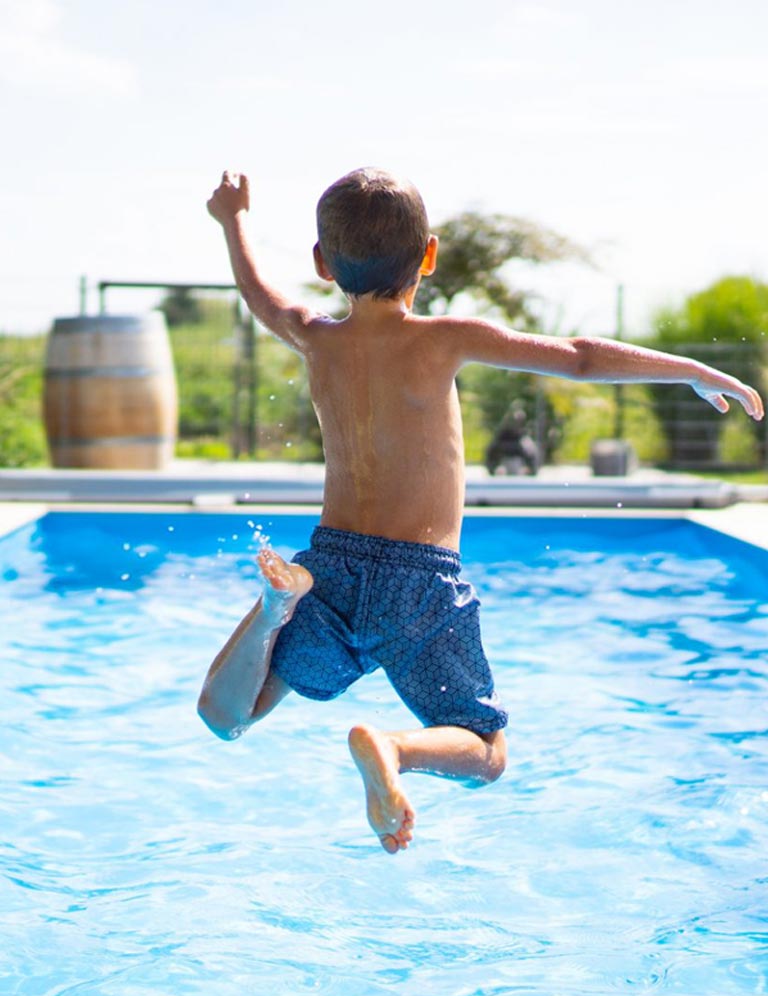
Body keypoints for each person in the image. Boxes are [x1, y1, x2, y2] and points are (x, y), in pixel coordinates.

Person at [198, 167, 764, 854]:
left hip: (331, 567)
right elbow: (580, 358)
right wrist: (692, 370)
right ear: (428, 256)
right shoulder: (443, 339)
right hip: (420, 581)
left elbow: (259, 296)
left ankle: (271, 611)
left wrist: (233, 221)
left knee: (229, 716)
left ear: (322, 263)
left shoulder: (316, 337)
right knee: (487, 752)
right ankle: (392, 747)